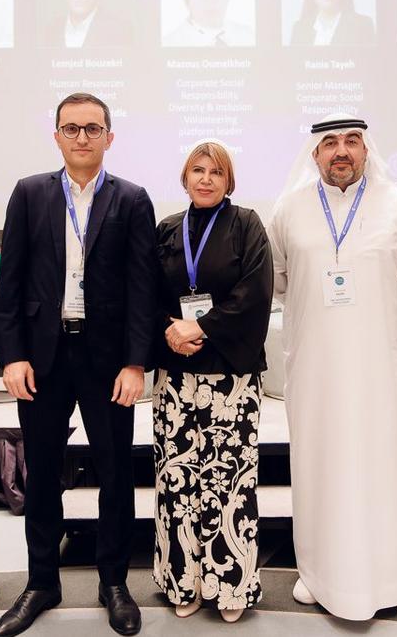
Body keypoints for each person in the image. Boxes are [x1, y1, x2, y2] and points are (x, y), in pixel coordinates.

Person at [0, 92, 156, 637]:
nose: (82, 137)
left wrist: (136, 364)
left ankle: (115, 583)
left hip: (107, 361)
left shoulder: (131, 198)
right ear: (57, 135)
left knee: (114, 472)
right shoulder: (29, 193)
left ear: (109, 136)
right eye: (71, 128)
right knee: (42, 473)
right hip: (44, 356)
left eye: (92, 128)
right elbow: (9, 281)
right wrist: (12, 355)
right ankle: (42, 582)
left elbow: (142, 289)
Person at [267, 114, 397, 622]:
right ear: (315, 154)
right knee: (319, 461)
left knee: (386, 461)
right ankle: (318, 572)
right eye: (330, 143)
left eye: (352, 141)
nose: (341, 151)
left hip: (378, 362)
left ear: (366, 150)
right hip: (315, 365)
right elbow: (278, 278)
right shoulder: (289, 209)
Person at [149, 140, 273, 624]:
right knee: (177, 481)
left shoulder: (247, 225)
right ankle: (183, 581)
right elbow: (147, 293)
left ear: (228, 181)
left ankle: (231, 585)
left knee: (229, 482)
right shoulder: (166, 229)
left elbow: (255, 292)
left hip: (231, 378)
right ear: (185, 178)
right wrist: (170, 331)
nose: (205, 179)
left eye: (215, 172)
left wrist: (199, 327)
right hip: (176, 375)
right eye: (197, 170)